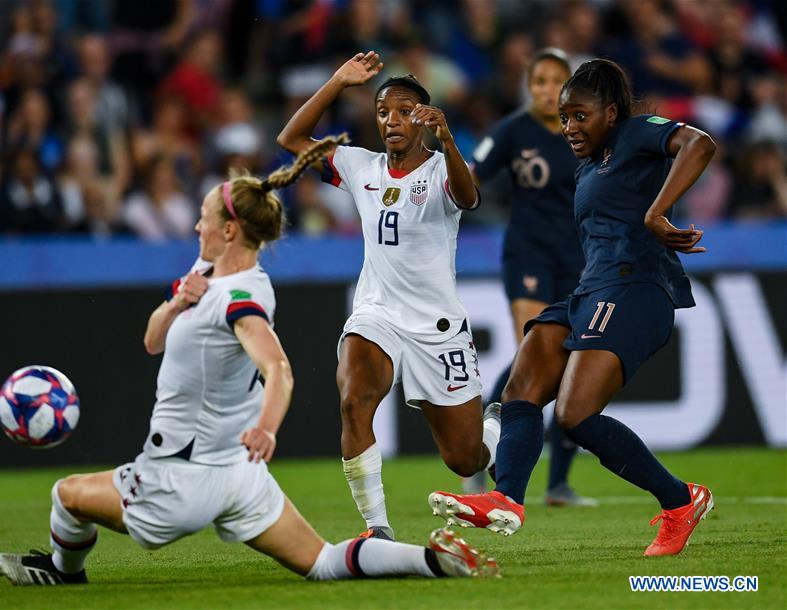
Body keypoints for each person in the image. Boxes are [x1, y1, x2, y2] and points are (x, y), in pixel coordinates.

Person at [0, 135, 496, 586]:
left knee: (66, 494)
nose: (196, 224)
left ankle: (62, 572)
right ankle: (427, 560)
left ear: (230, 231)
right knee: (322, 561)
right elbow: (152, 341)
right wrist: (176, 303)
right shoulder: (207, 272)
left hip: (178, 476)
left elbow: (278, 368)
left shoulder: (239, 298)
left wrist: (268, 428)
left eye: (205, 218)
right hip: (240, 478)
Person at [429, 59, 716, 557]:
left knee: (575, 414)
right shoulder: (590, 163)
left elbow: (700, 143)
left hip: (636, 288)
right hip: (591, 290)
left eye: (580, 116)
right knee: (523, 379)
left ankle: (679, 500)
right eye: (564, 118)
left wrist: (656, 212)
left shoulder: (636, 132)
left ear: (610, 111)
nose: (569, 128)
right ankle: (507, 499)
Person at [277, 51, 501, 541]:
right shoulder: (362, 167)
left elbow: (468, 198)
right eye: (382, 112)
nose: (392, 121)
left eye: (403, 111)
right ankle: (377, 529)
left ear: (423, 117)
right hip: (376, 313)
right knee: (355, 399)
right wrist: (337, 81)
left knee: (465, 457)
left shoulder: (442, 168)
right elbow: (291, 140)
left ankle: (494, 429)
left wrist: (448, 140)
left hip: (437, 327)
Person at [465, 48, 596, 507]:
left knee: (574, 360)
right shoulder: (512, 131)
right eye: (538, 81)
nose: (545, 89)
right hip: (528, 255)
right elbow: (469, 175)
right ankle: (485, 437)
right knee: (534, 350)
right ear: (529, 85)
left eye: (554, 81)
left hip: (580, 257)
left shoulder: (584, 130)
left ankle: (558, 484)